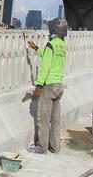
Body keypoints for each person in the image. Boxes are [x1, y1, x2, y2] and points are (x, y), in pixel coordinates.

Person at [26, 16, 68, 154]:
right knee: (55, 119)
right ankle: (55, 147)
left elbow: (45, 66)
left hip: (49, 85)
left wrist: (38, 85)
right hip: (58, 85)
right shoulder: (62, 45)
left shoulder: (51, 44)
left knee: (43, 118)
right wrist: (36, 48)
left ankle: (41, 147)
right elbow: (49, 57)